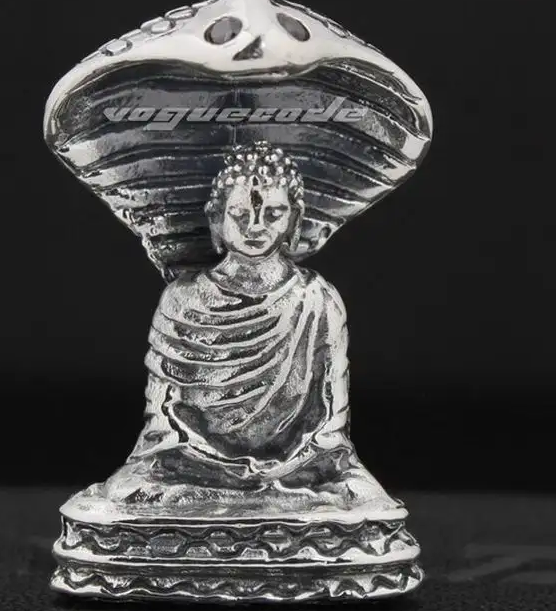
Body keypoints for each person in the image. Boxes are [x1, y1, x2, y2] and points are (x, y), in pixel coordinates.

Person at [98, 141, 401, 518]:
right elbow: (161, 424)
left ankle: (244, 501)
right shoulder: (182, 299)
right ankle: (272, 503)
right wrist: (200, 459)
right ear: (216, 218)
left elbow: (330, 431)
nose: (255, 227)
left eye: (273, 213)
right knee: (128, 490)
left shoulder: (318, 299)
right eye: (240, 213)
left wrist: (290, 465)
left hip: (297, 466)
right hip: (196, 463)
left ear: (295, 218)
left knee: (362, 494)